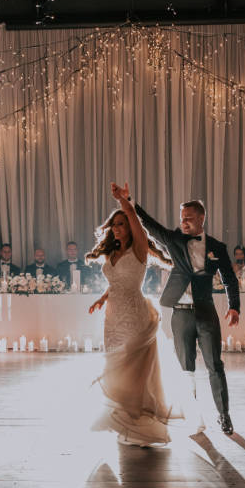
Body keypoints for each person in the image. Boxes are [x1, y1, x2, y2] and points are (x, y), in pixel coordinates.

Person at [129, 185, 241, 435]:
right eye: (182, 219)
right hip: (179, 313)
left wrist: (234, 306)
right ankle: (193, 417)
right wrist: (129, 202)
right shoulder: (175, 240)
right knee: (186, 368)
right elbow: (149, 224)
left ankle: (224, 416)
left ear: (202, 218)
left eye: (189, 219)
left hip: (206, 311)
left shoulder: (217, 247)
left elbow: (229, 280)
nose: (184, 223)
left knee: (215, 365)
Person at [86, 190, 175, 446]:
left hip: (134, 313)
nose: (116, 228)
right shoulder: (111, 253)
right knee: (116, 366)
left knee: (134, 366)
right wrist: (102, 299)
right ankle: (123, 419)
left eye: (121, 224)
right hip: (113, 316)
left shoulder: (139, 249)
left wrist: (125, 204)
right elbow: (116, 281)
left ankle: (139, 422)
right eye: (114, 225)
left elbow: (138, 225)